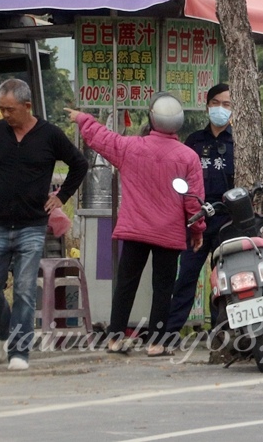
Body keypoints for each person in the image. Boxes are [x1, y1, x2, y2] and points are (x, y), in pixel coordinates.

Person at [65, 93, 204, 357]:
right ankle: (156, 343)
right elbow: (193, 202)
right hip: (169, 233)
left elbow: (101, 139)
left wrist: (83, 118)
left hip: (136, 230)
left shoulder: (131, 147)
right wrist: (197, 231)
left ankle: (115, 339)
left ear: (151, 118)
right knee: (163, 288)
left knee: (126, 283)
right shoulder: (189, 157)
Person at [0, 79, 89, 371]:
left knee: (24, 289)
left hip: (32, 226)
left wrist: (62, 197)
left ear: (27, 106)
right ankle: (4, 333)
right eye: (1, 109)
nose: (5, 115)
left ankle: (20, 351)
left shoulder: (49, 135)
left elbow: (79, 163)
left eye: (10, 109)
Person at [166, 83, 235, 337]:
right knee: (186, 276)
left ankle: (221, 330)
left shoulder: (240, 143)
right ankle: (171, 331)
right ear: (207, 106)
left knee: (224, 277)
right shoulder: (194, 141)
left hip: (228, 220)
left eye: (227, 104)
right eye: (216, 103)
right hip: (197, 219)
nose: (221, 109)